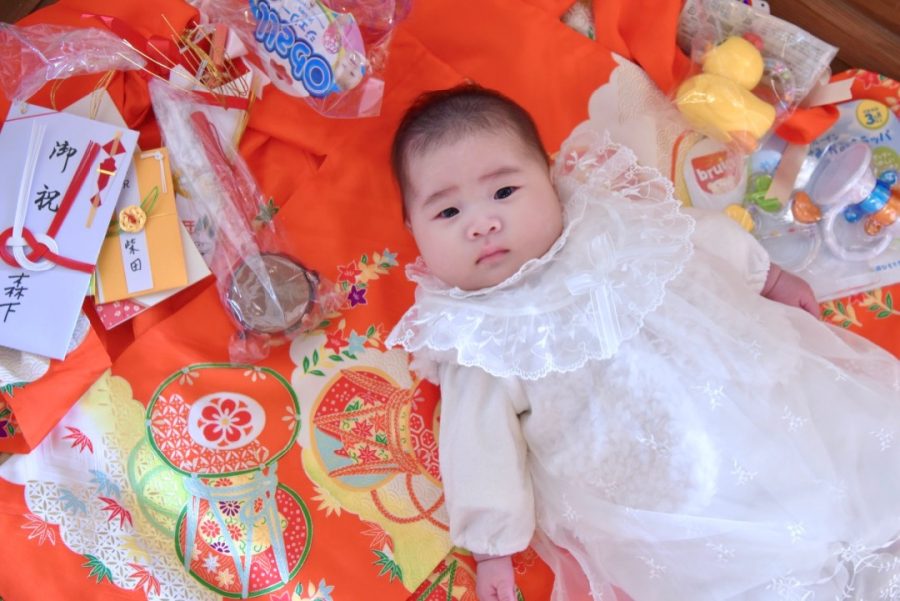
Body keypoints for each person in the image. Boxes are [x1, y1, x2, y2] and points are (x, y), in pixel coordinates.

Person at [386, 85, 900, 601]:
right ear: (414, 231)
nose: (483, 223)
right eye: (447, 213)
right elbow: (478, 447)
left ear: (546, 176)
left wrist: (767, 275)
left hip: (748, 390)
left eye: (503, 193)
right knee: (748, 564)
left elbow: (695, 239)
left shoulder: (611, 218)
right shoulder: (474, 334)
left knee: (840, 457)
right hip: (661, 490)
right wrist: (492, 547)